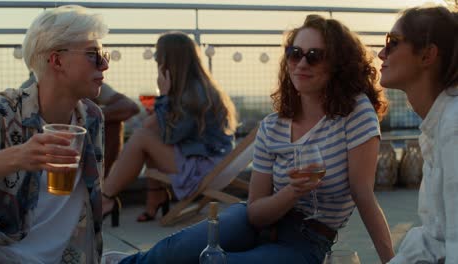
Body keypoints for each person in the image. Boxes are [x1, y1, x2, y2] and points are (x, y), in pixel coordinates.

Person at [114, 14, 394, 264]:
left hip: (306, 242)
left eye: (314, 56)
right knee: (172, 251)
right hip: (251, 222)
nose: (301, 64)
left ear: (338, 65)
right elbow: (255, 213)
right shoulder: (272, 126)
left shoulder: (354, 113)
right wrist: (292, 192)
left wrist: (391, 261)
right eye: (295, 53)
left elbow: (363, 195)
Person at [0, 5, 109, 263]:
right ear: (57, 60)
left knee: (197, 240)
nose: (106, 64)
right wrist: (19, 156)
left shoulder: (92, 118)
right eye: (94, 54)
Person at [101, 31, 238, 223]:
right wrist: (162, 108)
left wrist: (163, 99)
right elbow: (155, 129)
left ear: (170, 60)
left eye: (158, 55)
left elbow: (169, 136)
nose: (156, 60)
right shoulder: (194, 88)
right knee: (146, 135)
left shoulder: (193, 95)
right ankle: (155, 198)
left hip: (204, 167)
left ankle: (105, 198)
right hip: (208, 160)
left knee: (142, 137)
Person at [378, 5, 458, 264]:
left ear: (427, 55)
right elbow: (436, 238)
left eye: (392, 43)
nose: (381, 53)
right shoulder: (437, 125)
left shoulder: (454, 126)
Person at [21, 73, 140, 177]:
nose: (103, 65)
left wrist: (86, 119)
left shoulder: (86, 83)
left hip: (84, 144)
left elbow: (130, 108)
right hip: (47, 153)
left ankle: (103, 184)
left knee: (114, 123)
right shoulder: (27, 91)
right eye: (90, 55)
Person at [92, 83, 140, 177]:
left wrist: (89, 117)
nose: (103, 68)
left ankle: (103, 180)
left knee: (114, 123)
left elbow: (131, 107)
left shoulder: (90, 82)